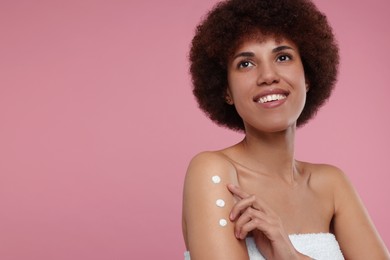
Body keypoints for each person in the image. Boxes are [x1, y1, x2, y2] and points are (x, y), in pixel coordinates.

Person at [181, 0, 390, 259]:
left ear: (308, 76)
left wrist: (290, 255)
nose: (268, 75)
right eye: (246, 63)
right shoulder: (214, 173)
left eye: (283, 57)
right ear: (226, 91)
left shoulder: (332, 185)